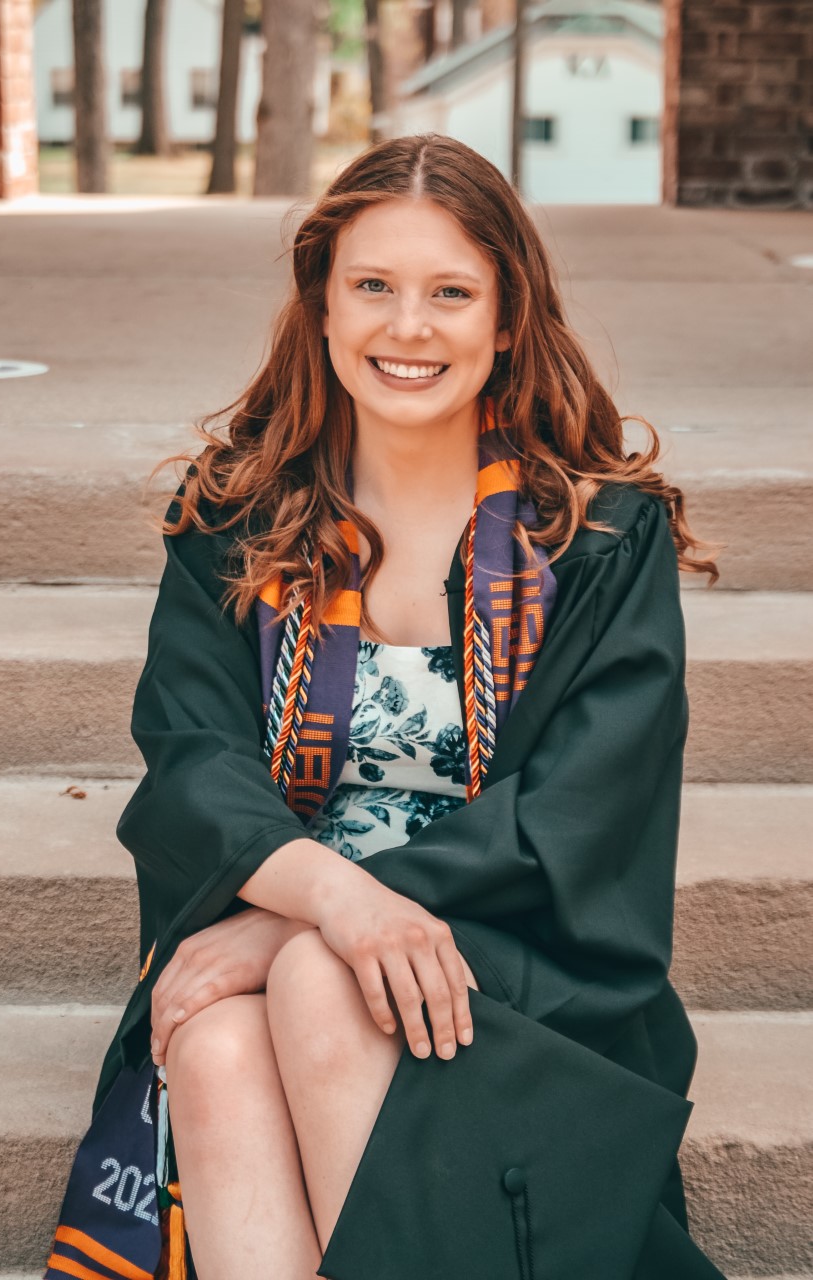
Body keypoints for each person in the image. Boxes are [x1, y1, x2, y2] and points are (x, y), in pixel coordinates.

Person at [45, 133, 727, 1280]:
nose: (407, 328)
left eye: (450, 293)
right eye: (373, 286)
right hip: (295, 916)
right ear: (321, 306)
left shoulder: (602, 541)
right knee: (213, 1039)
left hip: (520, 954)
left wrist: (305, 921)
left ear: (507, 319)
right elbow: (191, 760)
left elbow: (577, 816)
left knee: (313, 979)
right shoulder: (233, 519)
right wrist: (332, 908)